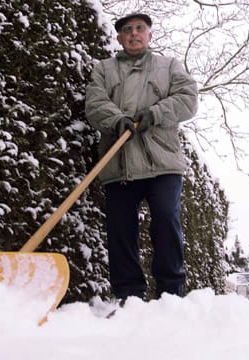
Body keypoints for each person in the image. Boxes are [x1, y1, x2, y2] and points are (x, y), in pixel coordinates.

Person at [85, 13, 198, 301]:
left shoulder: (169, 65)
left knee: (165, 216)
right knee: (120, 229)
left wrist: (156, 113)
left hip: (162, 162)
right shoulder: (103, 69)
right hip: (119, 163)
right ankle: (129, 296)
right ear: (119, 38)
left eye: (139, 29)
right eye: (127, 30)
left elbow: (188, 99)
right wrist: (116, 119)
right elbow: (95, 104)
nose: (133, 34)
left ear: (149, 35)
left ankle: (171, 293)